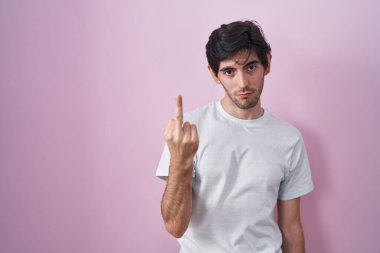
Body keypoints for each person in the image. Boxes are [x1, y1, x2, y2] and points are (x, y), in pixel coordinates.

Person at [156, 20, 314, 253]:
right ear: (214, 74)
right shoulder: (188, 131)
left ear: (267, 63)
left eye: (251, 67)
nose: (243, 83)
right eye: (229, 71)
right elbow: (174, 227)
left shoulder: (289, 139)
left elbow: (291, 228)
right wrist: (180, 161)